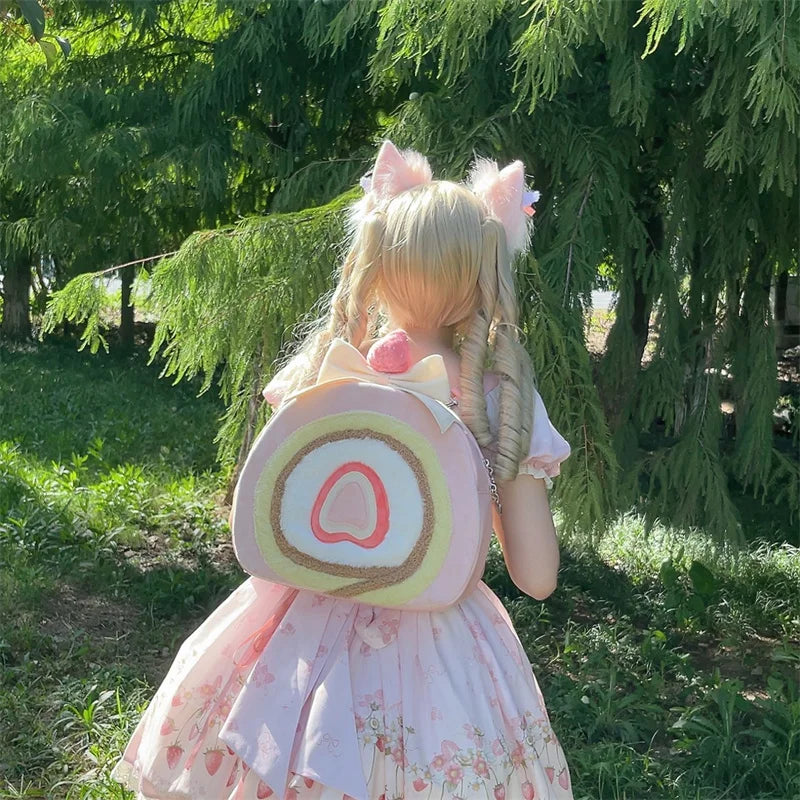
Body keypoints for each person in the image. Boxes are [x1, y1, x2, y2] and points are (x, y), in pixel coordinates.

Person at [113, 140, 574, 800]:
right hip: (439, 650)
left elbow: (273, 512)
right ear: (485, 274)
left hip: (294, 641)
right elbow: (537, 577)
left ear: (375, 262)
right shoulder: (500, 397)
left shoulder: (324, 371)